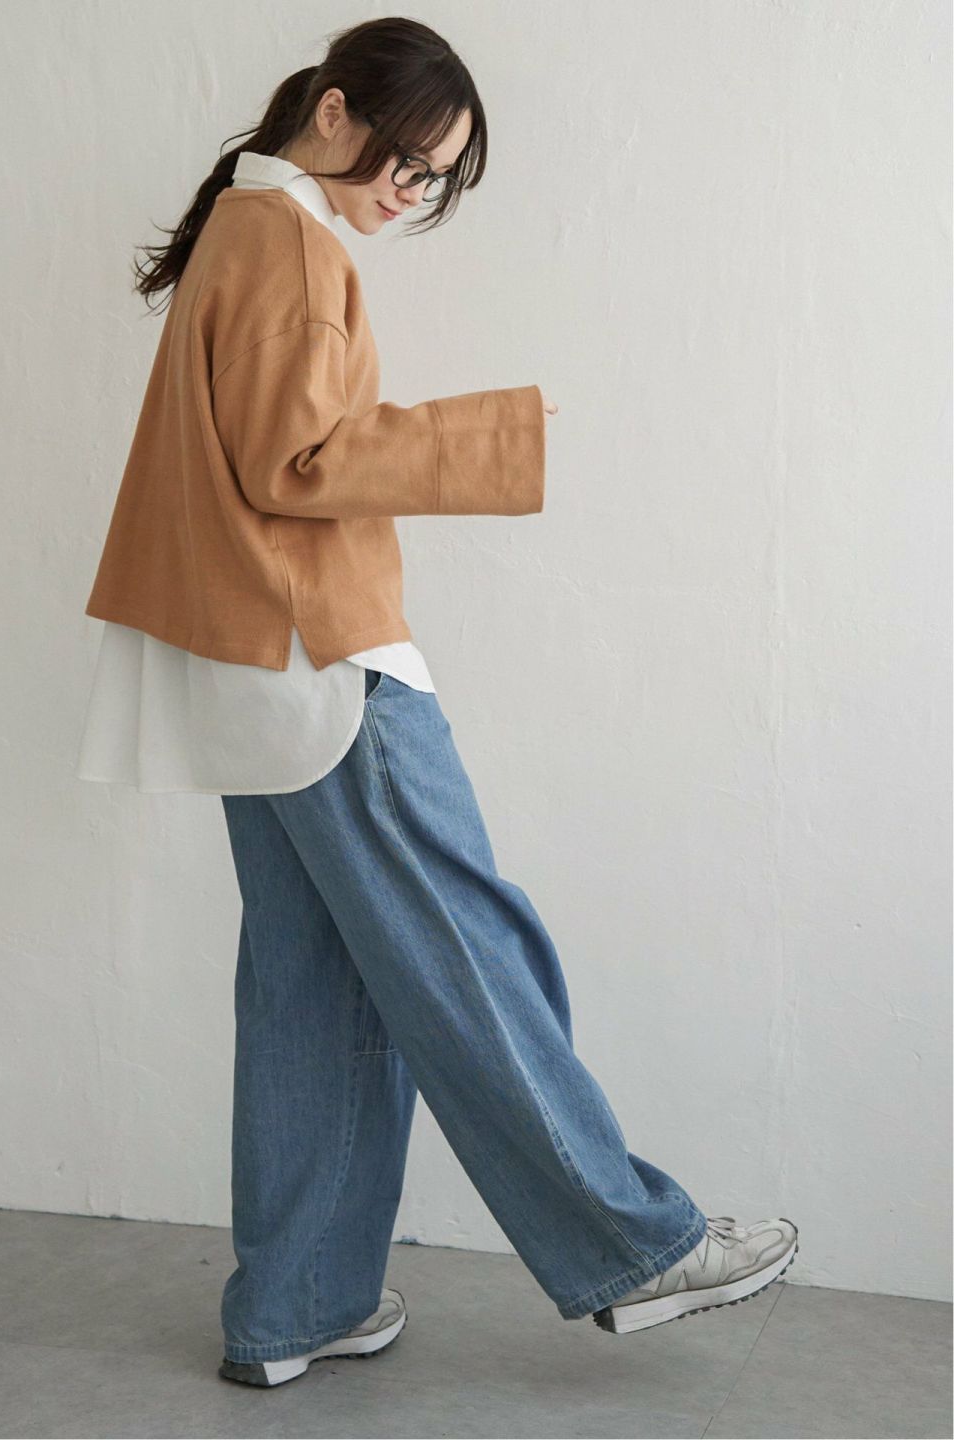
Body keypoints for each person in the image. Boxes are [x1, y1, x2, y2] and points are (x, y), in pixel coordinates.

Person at [77, 15, 798, 1391]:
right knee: (473, 948)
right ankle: (632, 1243)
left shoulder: (246, 226)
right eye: (407, 163)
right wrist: (495, 435)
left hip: (247, 667)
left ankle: (298, 1304)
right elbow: (295, 461)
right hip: (321, 661)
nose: (410, 195)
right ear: (335, 113)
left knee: (317, 989)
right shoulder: (289, 240)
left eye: (436, 181)